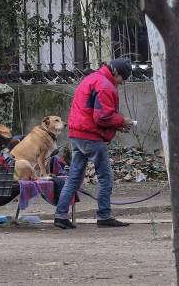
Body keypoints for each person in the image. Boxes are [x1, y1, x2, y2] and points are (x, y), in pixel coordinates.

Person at [53, 58, 134, 229]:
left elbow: (91, 113)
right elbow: (102, 116)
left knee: (74, 177)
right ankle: (104, 216)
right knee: (105, 177)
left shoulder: (91, 79)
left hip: (77, 134)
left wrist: (117, 125)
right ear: (116, 73)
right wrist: (121, 121)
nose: (123, 82)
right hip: (92, 137)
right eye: (123, 78)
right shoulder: (105, 85)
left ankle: (60, 216)